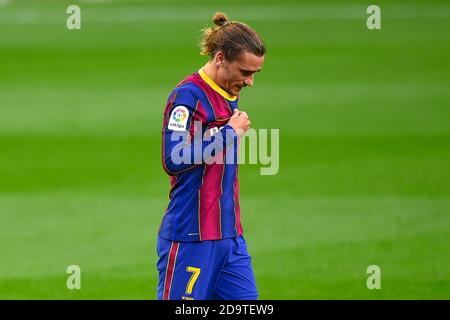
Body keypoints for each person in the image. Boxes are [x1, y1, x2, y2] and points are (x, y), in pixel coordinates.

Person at [157, 11, 266, 300]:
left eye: (255, 73)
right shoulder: (187, 97)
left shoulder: (228, 91)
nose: (250, 81)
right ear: (220, 59)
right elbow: (173, 158)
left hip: (230, 239)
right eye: (245, 72)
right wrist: (229, 133)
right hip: (191, 237)